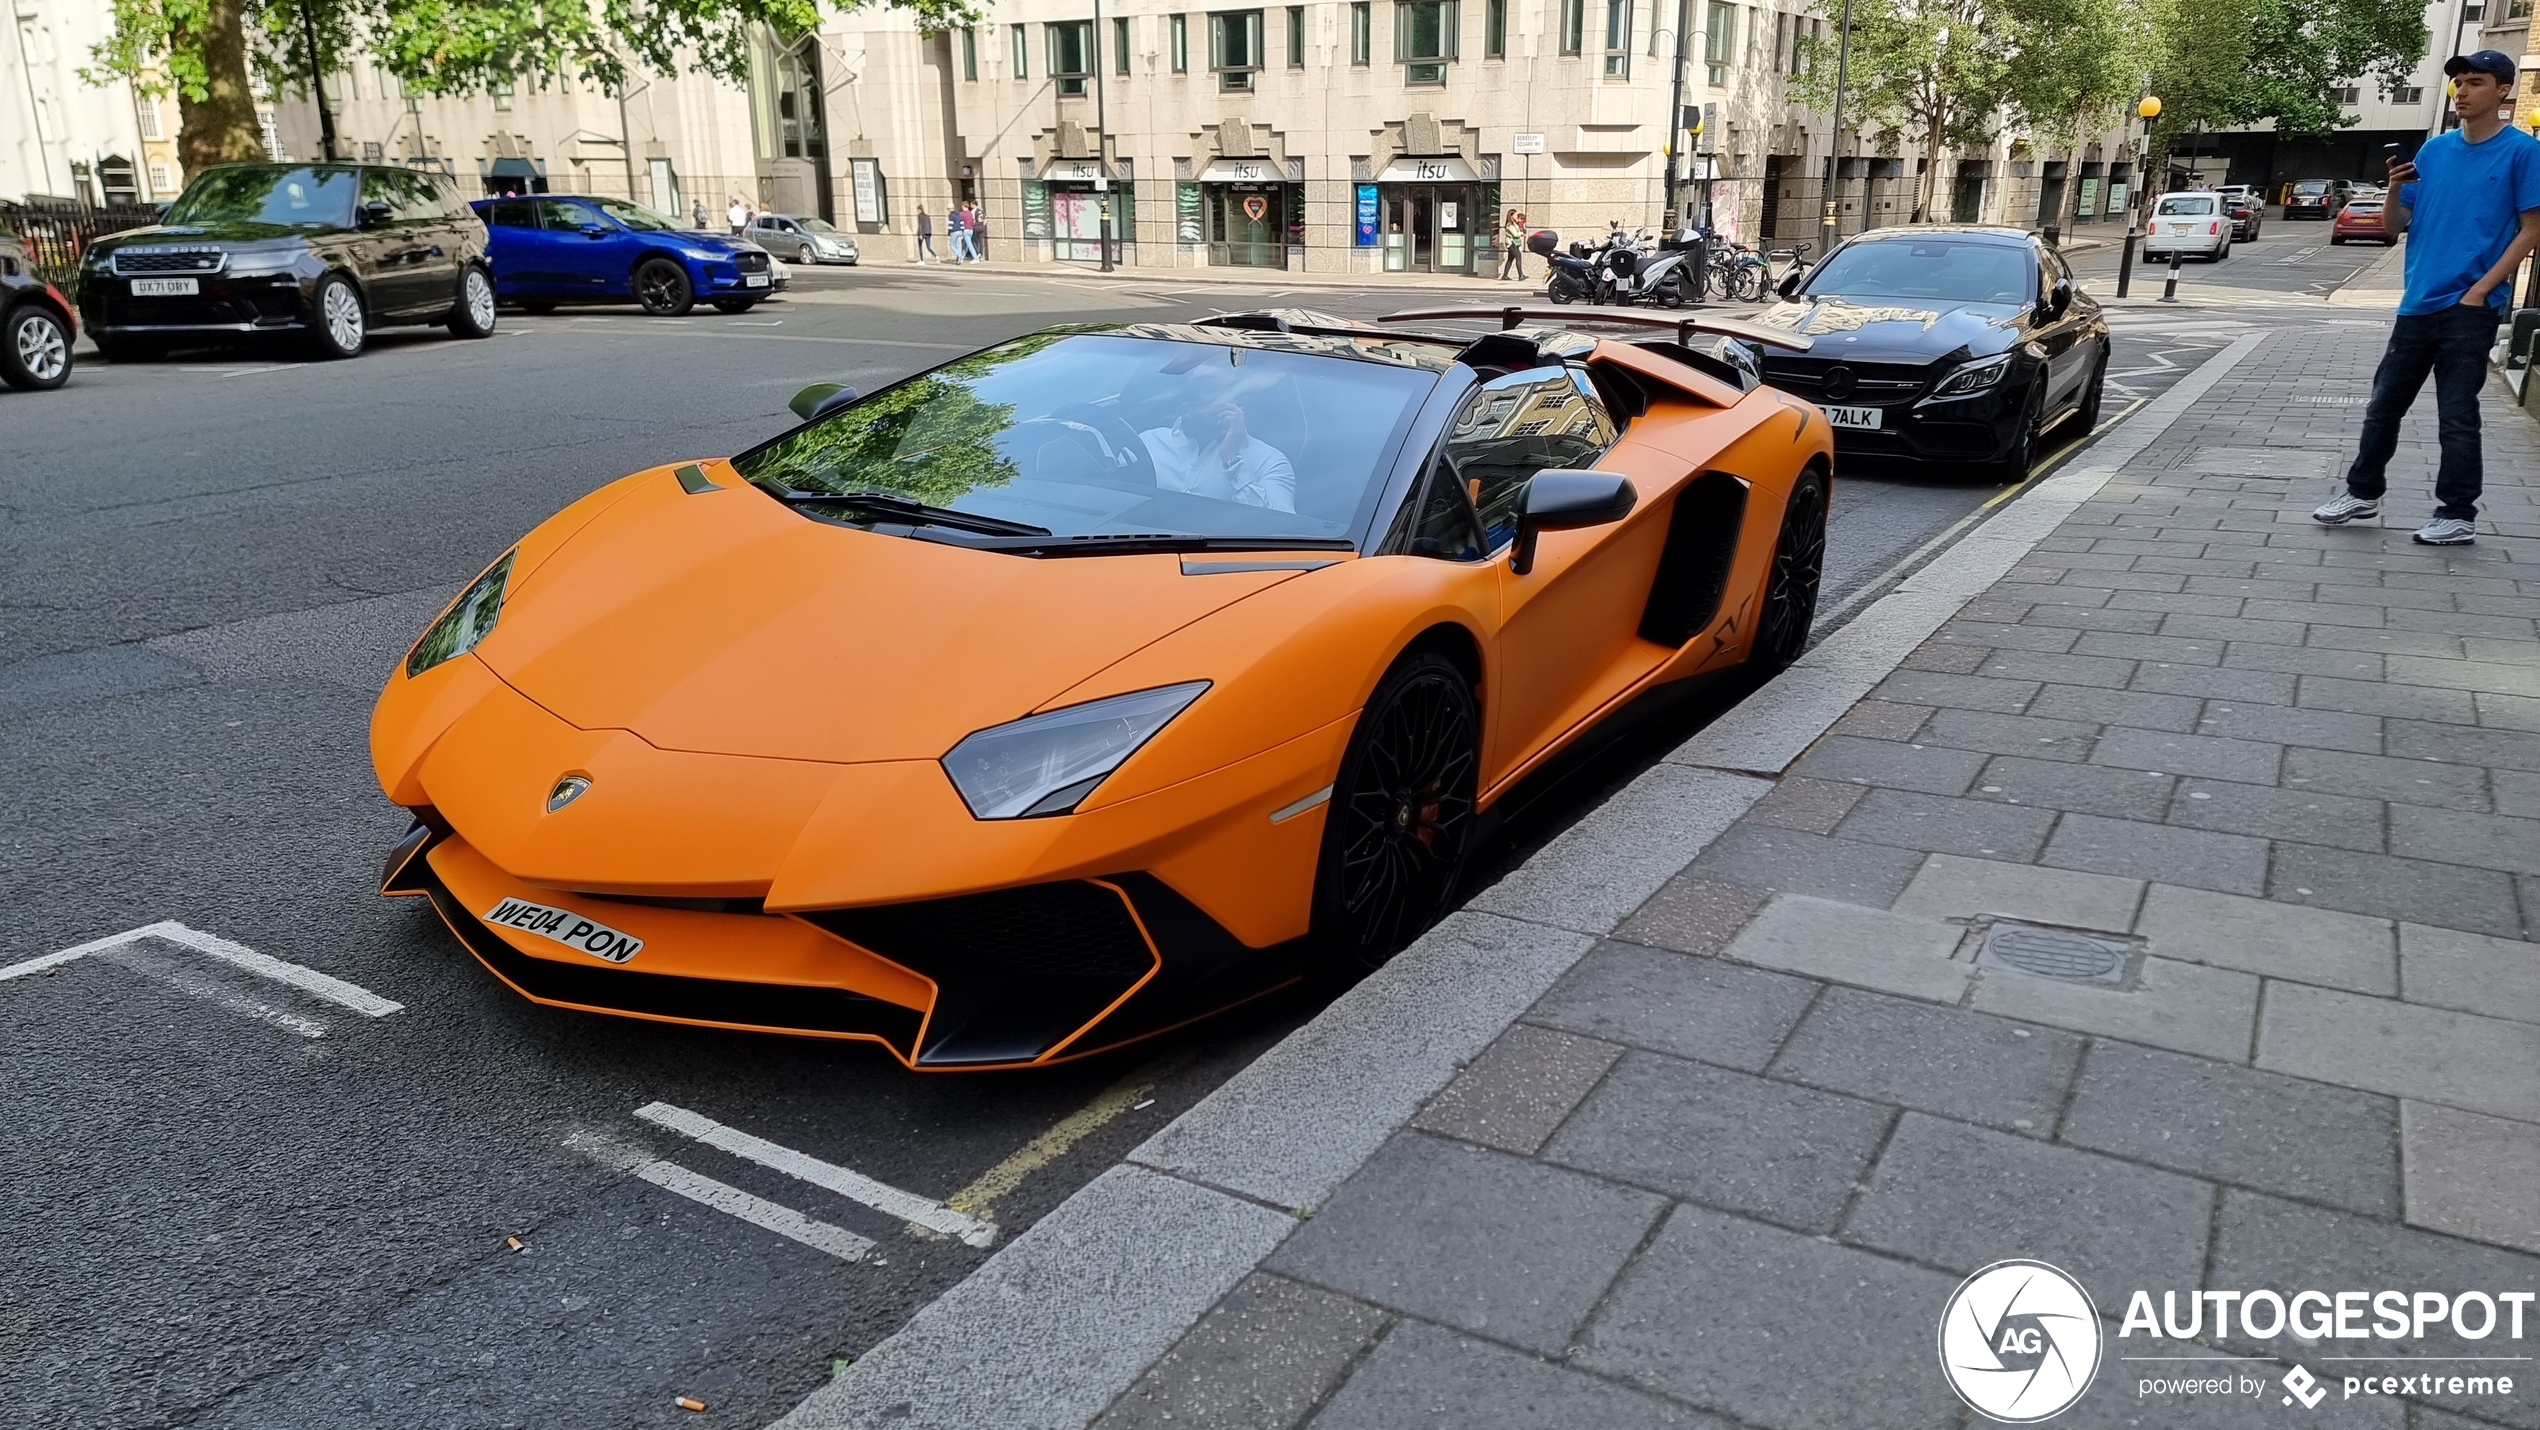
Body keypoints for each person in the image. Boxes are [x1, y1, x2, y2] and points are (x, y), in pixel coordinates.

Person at [2313, 49, 2540, 546]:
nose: (2462, 91)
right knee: (2383, 405)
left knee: (2456, 414)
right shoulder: (2434, 152)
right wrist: (2393, 191)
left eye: (2475, 82)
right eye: (2459, 82)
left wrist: (2481, 291)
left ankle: (2457, 513)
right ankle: (2362, 493)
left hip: (2469, 309)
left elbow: (2531, 230)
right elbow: (2395, 228)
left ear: (2503, 90)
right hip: (2417, 302)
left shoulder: (2523, 152)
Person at [1139, 397, 1295, 512]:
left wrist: (1232, 460)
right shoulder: (1148, 442)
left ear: (1237, 407)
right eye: (1195, 390)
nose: (1197, 400)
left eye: (1210, 393)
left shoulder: (1269, 461)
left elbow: (1281, 530)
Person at [1499, 209, 1527, 280]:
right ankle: (1521, 275)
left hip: (1514, 243)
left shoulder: (1514, 224)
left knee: (1510, 259)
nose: (1517, 216)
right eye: (1516, 215)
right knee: (1518, 257)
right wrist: (1521, 234)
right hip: (1512, 244)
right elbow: (1515, 234)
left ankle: (1505, 275)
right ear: (1511, 216)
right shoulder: (1509, 225)